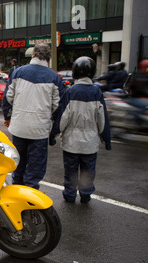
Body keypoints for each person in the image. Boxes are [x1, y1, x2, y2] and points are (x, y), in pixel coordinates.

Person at [50, 56, 111, 203]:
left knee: (70, 171)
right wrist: (106, 140)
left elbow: (62, 118)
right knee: (88, 171)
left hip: (71, 142)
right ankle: (85, 194)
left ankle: (70, 195)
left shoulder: (70, 92)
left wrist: (53, 135)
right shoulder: (97, 93)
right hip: (90, 144)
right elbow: (102, 120)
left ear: (74, 72)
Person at [2, 43, 63, 190]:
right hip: (39, 130)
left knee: (19, 165)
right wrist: (54, 128)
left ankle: (16, 195)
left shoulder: (18, 73)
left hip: (19, 128)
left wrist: (7, 117)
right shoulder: (54, 77)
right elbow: (58, 106)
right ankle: (30, 199)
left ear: (33, 55)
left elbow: (8, 98)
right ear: (48, 58)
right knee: (34, 169)